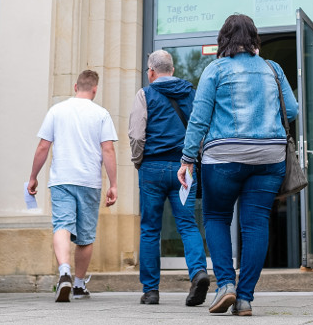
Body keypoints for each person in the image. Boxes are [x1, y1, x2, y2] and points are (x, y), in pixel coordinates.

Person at [178, 14, 298, 317]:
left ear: (224, 39)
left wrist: (187, 159)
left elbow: (200, 118)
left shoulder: (216, 69)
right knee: (256, 223)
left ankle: (226, 286)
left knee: (217, 216)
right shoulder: (274, 69)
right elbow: (293, 110)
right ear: (254, 39)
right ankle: (244, 299)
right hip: (270, 157)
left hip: (224, 157)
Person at [28, 69, 118, 303]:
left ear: (75, 87)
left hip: (62, 179)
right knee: (85, 237)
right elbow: (108, 149)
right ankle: (78, 284)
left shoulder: (57, 111)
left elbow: (42, 147)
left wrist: (33, 177)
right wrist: (113, 184)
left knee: (61, 225)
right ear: (95, 90)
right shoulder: (101, 114)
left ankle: (64, 272)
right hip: (89, 181)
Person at [130, 50, 210, 307]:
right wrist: (194, 159)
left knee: (150, 228)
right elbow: (200, 128)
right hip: (183, 168)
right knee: (188, 225)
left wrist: (138, 161)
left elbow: (136, 135)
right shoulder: (189, 92)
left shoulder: (145, 94)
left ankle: (151, 290)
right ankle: (198, 273)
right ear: (172, 70)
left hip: (152, 168)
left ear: (151, 72)